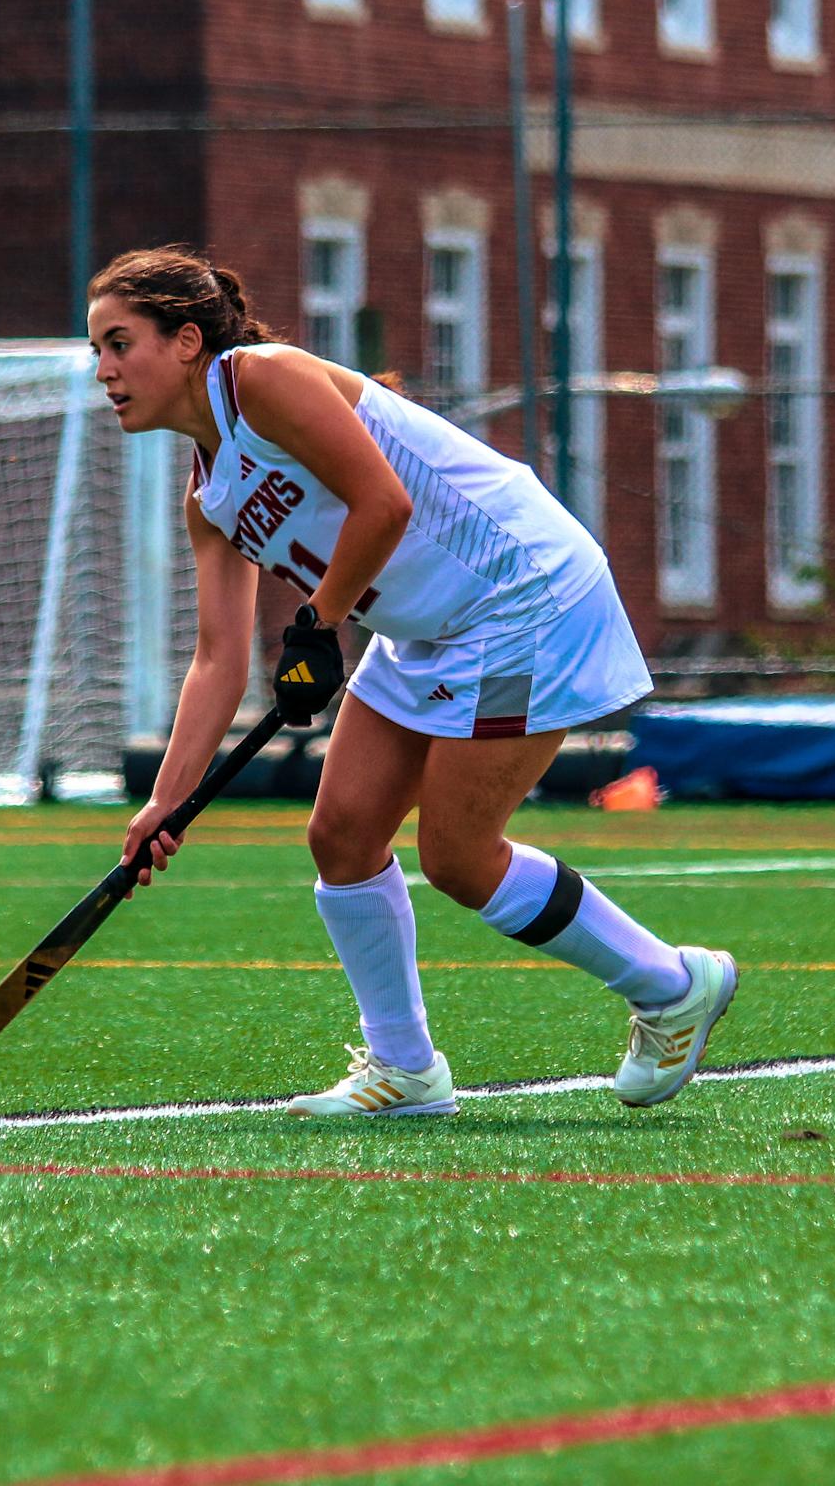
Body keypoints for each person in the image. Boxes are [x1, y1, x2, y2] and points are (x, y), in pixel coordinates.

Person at [91, 246, 734, 1118]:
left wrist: (319, 622)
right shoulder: (208, 497)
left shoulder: (262, 380)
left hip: (524, 604)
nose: (105, 371)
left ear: (187, 342)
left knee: (460, 858)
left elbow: (382, 502)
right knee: (343, 835)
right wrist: (165, 801)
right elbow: (218, 658)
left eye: (120, 343)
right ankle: (405, 1070)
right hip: (428, 632)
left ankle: (670, 986)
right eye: (98, 350)